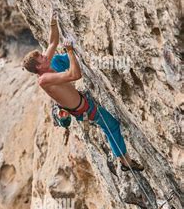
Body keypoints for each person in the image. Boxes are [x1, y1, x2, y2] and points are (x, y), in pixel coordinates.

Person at [21, 11, 144, 172]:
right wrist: (70, 51)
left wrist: (53, 22)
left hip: (82, 102)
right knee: (111, 126)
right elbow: (75, 75)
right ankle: (125, 162)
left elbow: (52, 42)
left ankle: (125, 161)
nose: (45, 57)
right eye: (41, 59)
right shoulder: (44, 80)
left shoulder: (46, 64)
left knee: (56, 59)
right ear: (38, 67)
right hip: (85, 109)